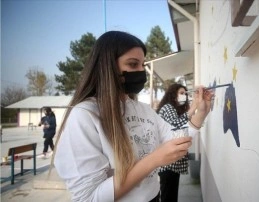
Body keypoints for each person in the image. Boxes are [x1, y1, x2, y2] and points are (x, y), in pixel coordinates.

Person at [54, 31, 213, 202]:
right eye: (132, 64)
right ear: (107, 67)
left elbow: (175, 138)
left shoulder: (144, 110)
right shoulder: (85, 115)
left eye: (142, 65)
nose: (141, 72)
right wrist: (153, 160)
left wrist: (202, 112)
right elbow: (89, 197)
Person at [156, 83, 197, 202]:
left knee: (171, 196)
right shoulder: (168, 107)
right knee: (168, 197)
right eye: (181, 93)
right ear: (173, 94)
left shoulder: (175, 109)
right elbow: (176, 126)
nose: (184, 96)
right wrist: (194, 108)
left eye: (185, 93)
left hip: (172, 162)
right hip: (168, 163)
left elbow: (181, 131)